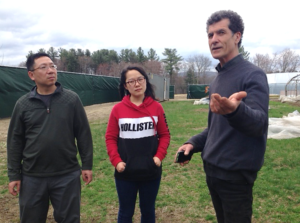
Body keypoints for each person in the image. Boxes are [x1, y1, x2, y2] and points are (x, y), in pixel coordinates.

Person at [175, 10, 269, 223]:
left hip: (235, 178)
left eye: (220, 33)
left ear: (237, 36)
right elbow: (215, 127)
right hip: (213, 172)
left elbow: (259, 124)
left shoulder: (253, 75)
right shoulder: (218, 79)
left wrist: (235, 111)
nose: (214, 40)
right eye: (210, 35)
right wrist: (193, 144)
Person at [7, 52, 93, 223]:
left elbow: (83, 134)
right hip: (32, 177)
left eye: (53, 66)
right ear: (31, 75)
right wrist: (14, 175)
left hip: (67, 174)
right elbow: (15, 141)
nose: (51, 70)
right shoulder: (23, 105)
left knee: (69, 219)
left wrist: (87, 165)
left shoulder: (71, 100)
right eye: (43, 67)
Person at [105, 66, 170, 223]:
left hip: (150, 171)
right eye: (131, 81)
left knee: (148, 212)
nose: (137, 84)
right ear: (126, 86)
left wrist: (159, 157)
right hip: (125, 172)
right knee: (126, 213)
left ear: (146, 81)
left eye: (140, 79)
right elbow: (110, 138)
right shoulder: (118, 109)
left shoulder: (156, 107)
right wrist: (116, 161)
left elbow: (165, 135)